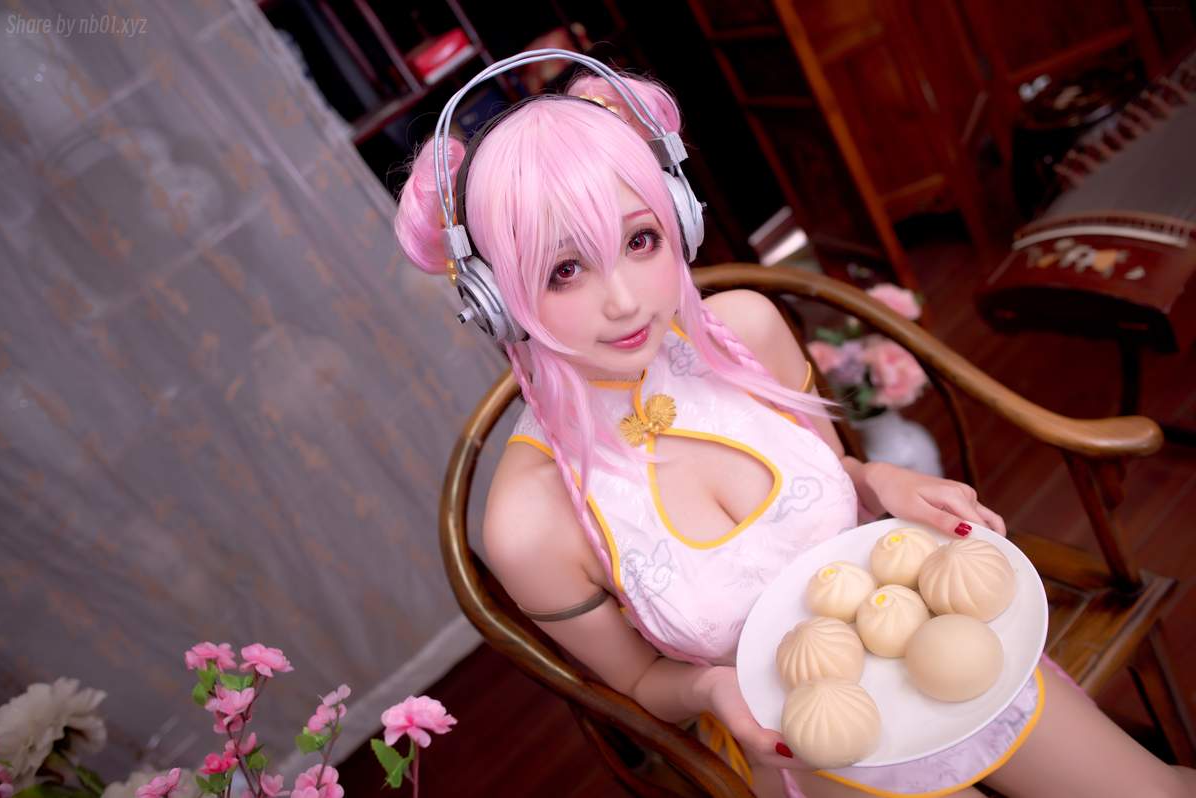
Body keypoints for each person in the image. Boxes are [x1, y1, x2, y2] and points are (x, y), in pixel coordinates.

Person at [394, 56, 1195, 797]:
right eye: (565, 270)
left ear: (680, 219)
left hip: (924, 636)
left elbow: (834, 478)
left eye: (641, 240)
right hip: (804, 744)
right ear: (494, 299)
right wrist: (706, 686)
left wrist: (880, 478)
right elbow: (637, 684)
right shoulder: (527, 523)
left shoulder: (744, 329)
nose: (626, 300)